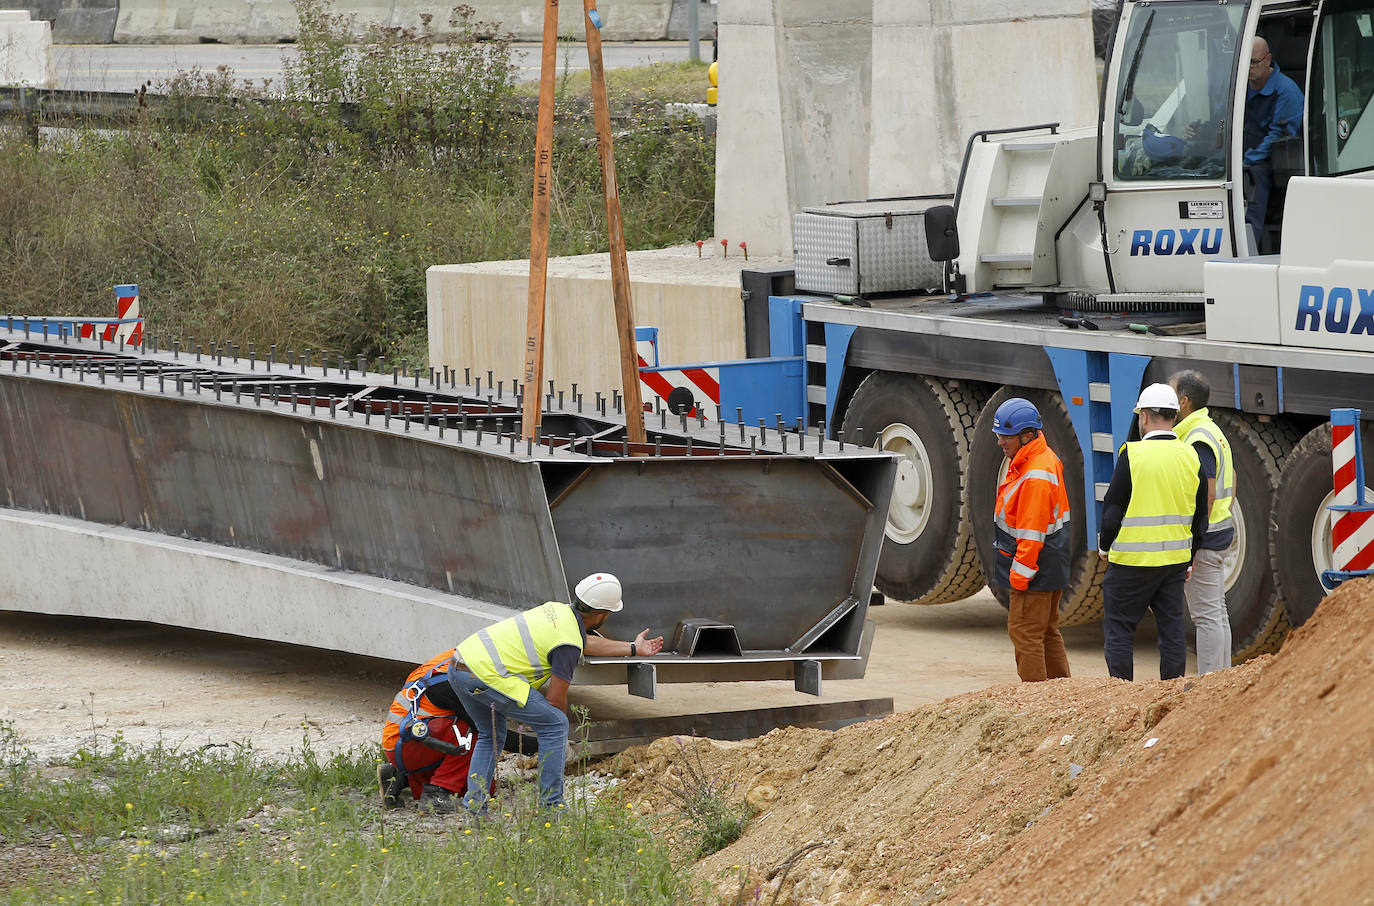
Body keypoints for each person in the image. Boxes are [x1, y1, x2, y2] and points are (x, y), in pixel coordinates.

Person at [447, 572, 664, 813]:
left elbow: (585, 642)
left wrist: (634, 648)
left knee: (491, 735)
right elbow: (555, 698)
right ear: (604, 615)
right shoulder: (567, 645)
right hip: (487, 676)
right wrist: (559, 736)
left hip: (459, 665)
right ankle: (552, 809)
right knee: (556, 724)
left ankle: (475, 809)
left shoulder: (557, 611)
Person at [1098, 384, 1209, 681]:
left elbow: (1111, 514)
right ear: (1173, 416)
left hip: (1130, 564)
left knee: (1120, 631)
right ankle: (1171, 696)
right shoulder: (1190, 456)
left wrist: (1104, 547)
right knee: (1171, 631)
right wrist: (1190, 557)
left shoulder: (1132, 454)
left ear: (1144, 416)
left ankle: (1122, 695)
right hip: (1173, 563)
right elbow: (1201, 518)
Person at [989, 397, 1072, 682]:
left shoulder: (1035, 474)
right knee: (1047, 633)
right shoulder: (1038, 460)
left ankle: (1036, 701)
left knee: (1025, 632)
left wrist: (1020, 577)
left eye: (1005, 436)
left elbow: (1031, 533)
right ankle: (1062, 696)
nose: (1000, 442)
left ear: (1027, 435)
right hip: (1050, 565)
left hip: (1034, 568)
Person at [1169, 370, 1235, 674]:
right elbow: (1231, 481)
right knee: (1216, 610)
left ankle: (1209, 683)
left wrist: (1194, 540)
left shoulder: (1196, 438)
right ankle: (1221, 678)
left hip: (1207, 538)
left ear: (1184, 401)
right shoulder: (1211, 430)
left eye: (1171, 394)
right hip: (1220, 530)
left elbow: (1207, 493)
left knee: (1206, 614)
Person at [378, 647, 482, 812]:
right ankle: (437, 795)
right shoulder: (451, 682)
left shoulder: (454, 658)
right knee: (470, 736)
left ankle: (399, 778)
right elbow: (488, 729)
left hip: (403, 743)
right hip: (408, 744)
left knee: (484, 787)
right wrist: (536, 743)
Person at [1243, 36, 1304, 241]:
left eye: (1253, 62)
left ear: (1267, 59)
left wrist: (1244, 161)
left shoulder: (1287, 91)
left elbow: (1278, 137)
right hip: (1240, 153)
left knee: (1252, 175)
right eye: (1244, 61)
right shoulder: (1239, 87)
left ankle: (1250, 243)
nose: (1248, 67)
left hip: (1269, 160)